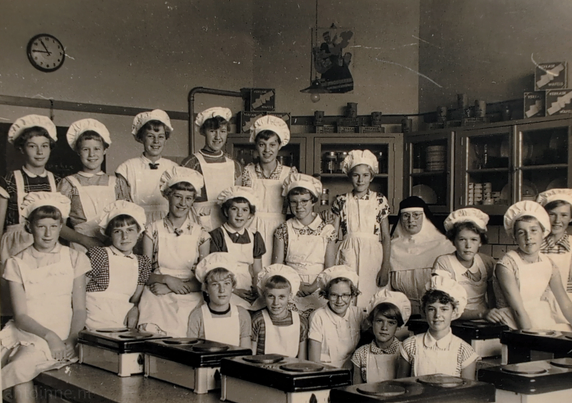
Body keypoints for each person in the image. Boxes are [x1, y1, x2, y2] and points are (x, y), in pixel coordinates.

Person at [0, 192, 89, 399]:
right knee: (20, 367)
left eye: (53, 226)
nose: (48, 234)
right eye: (41, 227)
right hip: (30, 332)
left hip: (65, 331)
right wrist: (50, 338)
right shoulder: (16, 262)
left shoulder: (75, 258)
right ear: (29, 227)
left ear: (61, 227)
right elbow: (21, 316)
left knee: (21, 368)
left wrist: (72, 339)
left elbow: (79, 308)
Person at [137, 167, 209, 337]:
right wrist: (166, 280)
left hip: (190, 291)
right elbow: (144, 272)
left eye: (188, 198)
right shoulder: (152, 230)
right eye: (178, 196)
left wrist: (173, 288)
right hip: (157, 288)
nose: (183, 203)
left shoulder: (202, 234)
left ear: (193, 201)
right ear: (167, 195)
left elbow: (205, 278)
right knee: (153, 331)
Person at [0, 115, 59, 318]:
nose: (40, 151)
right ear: (21, 149)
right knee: (16, 308)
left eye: (45, 145)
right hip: (15, 247)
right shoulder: (8, 180)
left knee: (43, 306)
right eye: (33, 146)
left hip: (47, 247)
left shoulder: (56, 181)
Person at [494, 201, 572, 331]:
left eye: (534, 230)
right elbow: (518, 309)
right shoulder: (506, 265)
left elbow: (565, 304)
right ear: (514, 237)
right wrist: (532, 339)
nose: (528, 237)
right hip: (514, 323)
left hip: (542, 318)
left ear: (543, 232)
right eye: (521, 232)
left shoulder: (549, 263)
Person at [58, 119, 131, 253]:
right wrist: (85, 240)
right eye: (86, 149)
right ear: (78, 151)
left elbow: (126, 221)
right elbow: (58, 225)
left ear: (104, 150)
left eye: (96, 149)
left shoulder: (117, 183)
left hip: (113, 245)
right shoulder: (68, 183)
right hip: (81, 246)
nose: (92, 154)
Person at [333, 149, 391, 308]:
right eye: (356, 175)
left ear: (371, 177)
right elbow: (332, 235)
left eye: (365, 175)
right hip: (348, 251)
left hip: (373, 254)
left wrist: (385, 267)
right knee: (349, 296)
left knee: (373, 298)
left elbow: (386, 237)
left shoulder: (379, 200)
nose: (360, 180)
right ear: (349, 176)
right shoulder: (341, 200)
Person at [273, 173, 336, 315]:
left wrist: (313, 286)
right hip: (291, 286)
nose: (299, 206)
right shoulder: (283, 229)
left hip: (319, 287)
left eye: (304, 201)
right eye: (294, 201)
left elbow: (329, 268)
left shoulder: (327, 229)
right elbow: (278, 266)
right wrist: (296, 284)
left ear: (313, 201)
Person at [85, 201, 150, 330]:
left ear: (139, 233)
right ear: (109, 235)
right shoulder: (99, 254)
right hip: (93, 317)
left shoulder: (142, 262)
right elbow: (77, 291)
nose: (124, 236)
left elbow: (135, 299)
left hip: (123, 319)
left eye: (130, 230)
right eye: (117, 231)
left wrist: (135, 309)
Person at [397, 276, 479, 379]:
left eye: (444, 309)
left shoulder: (465, 351)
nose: (437, 315)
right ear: (424, 311)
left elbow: (467, 392)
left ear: (454, 313)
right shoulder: (410, 345)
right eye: (431, 309)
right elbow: (401, 386)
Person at [242, 115, 296, 268]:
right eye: (262, 144)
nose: (267, 150)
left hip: (280, 229)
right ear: (256, 146)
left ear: (280, 145)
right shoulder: (247, 171)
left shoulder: (289, 173)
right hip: (251, 226)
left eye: (272, 144)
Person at [389, 196, 455, 316]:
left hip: (434, 313)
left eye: (416, 215)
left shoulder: (444, 246)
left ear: (424, 217)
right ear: (401, 219)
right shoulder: (391, 248)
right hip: (400, 312)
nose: (411, 220)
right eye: (406, 216)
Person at [432, 208, 502, 321]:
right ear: (453, 241)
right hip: (455, 321)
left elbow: (493, 296)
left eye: (474, 239)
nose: (468, 245)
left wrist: (494, 315)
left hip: (484, 321)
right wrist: (482, 314)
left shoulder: (487, 262)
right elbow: (444, 306)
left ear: (480, 242)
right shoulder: (444, 262)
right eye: (462, 239)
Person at [181, 107, 241, 231]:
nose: (218, 136)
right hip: (198, 225)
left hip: (227, 225)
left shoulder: (235, 165)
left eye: (223, 131)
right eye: (212, 131)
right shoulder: (191, 163)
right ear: (204, 132)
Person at [115, 109, 178, 224]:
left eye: (160, 136)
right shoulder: (126, 168)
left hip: (168, 222)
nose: (156, 141)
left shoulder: (174, 168)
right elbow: (122, 206)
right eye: (150, 136)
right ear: (141, 138)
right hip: (137, 222)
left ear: (165, 139)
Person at [210, 186, 265, 310]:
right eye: (234, 209)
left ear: (250, 214)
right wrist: (234, 290)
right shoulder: (217, 235)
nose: (240, 214)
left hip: (248, 287)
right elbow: (215, 272)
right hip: (225, 287)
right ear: (225, 212)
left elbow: (257, 270)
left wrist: (257, 289)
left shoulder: (255, 236)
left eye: (245, 210)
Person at [187, 252, 251, 349]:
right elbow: (192, 351)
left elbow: (245, 353)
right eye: (215, 284)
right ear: (206, 288)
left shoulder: (242, 315)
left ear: (233, 287)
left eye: (226, 283)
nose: (222, 290)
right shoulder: (198, 315)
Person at [308, 266, 364, 368]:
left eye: (345, 295)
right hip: (324, 372)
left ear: (352, 295)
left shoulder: (358, 314)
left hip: (351, 371)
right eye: (334, 295)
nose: (339, 301)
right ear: (326, 295)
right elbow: (314, 362)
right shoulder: (318, 316)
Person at [351, 289, 411, 384]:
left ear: (399, 327)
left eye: (391, 323)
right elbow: (355, 390)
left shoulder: (405, 352)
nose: (384, 328)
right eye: (379, 321)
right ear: (371, 322)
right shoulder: (360, 354)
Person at [251, 264, 308, 358]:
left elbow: (302, 360)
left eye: (281, 297)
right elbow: (251, 357)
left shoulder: (300, 322)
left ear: (290, 297)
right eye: (271, 296)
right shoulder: (258, 319)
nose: (276, 302)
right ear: (264, 296)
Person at [537, 189, 572, 296]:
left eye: (564, 215)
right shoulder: (535, 244)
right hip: (539, 306)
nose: (557, 220)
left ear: (571, 218)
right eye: (552, 214)